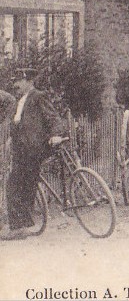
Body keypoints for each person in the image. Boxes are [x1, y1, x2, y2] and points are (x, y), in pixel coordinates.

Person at [3, 68, 66, 240]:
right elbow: (18, 124)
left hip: (33, 149)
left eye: (19, 81)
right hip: (21, 150)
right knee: (20, 185)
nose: (15, 85)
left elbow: (52, 117)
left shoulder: (38, 96)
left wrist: (56, 134)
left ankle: (18, 228)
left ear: (29, 81)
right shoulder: (19, 101)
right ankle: (21, 225)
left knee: (16, 185)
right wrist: (11, 139)